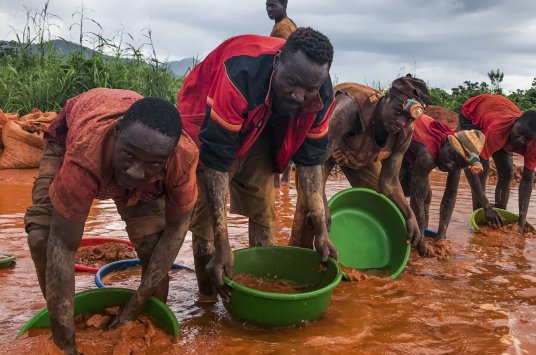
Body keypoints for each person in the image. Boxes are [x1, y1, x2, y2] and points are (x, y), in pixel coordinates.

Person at [24, 88, 199, 355]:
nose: (135, 173)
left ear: (167, 157)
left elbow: (177, 229)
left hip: (130, 148)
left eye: (153, 164)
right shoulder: (85, 154)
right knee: (41, 237)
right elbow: (62, 244)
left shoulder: (183, 157)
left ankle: (153, 323)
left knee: (154, 246)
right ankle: (61, 324)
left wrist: (133, 309)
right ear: (117, 134)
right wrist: (68, 350)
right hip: (72, 136)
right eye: (129, 156)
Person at [177, 28, 338, 299]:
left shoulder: (320, 92)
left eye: (309, 89)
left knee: (264, 209)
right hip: (207, 117)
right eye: (293, 83)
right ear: (277, 63)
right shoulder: (240, 73)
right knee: (205, 219)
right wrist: (223, 242)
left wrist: (321, 231)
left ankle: (263, 292)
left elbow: (311, 164)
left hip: (263, 125)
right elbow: (216, 163)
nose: (299, 96)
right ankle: (206, 298)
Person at [290, 76, 430, 254]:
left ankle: (372, 255)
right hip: (320, 154)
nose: (401, 123)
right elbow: (311, 164)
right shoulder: (349, 108)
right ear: (386, 98)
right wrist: (321, 211)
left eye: (409, 119)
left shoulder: (404, 132)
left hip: (360, 155)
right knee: (312, 211)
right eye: (397, 111)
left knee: (387, 208)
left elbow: (390, 182)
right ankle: (301, 258)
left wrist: (409, 215)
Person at [459, 94, 536, 232]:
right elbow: (471, 168)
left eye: (527, 138)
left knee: (507, 171)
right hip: (472, 113)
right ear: (515, 122)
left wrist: (521, 220)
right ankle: (479, 212)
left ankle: (499, 211)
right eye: (520, 132)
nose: (520, 140)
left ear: (534, 138)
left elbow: (527, 181)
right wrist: (486, 206)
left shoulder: (535, 146)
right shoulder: (496, 130)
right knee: (482, 168)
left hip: (500, 120)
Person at [401, 114, 486, 243]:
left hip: (412, 149)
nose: (450, 165)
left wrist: (441, 234)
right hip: (395, 132)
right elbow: (416, 200)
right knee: (395, 191)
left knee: (427, 197)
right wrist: (421, 240)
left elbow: (450, 194)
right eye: (451, 157)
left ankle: (421, 231)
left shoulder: (458, 156)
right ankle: (415, 235)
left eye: (457, 165)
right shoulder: (427, 156)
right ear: (447, 142)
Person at [267, 0, 297, 187]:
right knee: (284, 137)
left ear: (284, 6)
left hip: (284, 88)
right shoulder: (288, 24)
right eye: (267, 6)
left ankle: (278, 185)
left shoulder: (283, 29)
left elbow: (282, 59)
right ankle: (284, 184)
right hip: (291, 86)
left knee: (275, 137)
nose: (269, 9)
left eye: (273, 5)